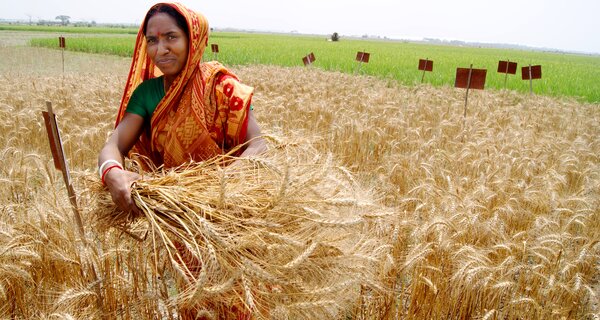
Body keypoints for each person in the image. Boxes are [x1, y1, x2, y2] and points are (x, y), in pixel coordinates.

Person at [98, 2, 266, 216]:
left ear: (192, 40)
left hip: (227, 212)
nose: (160, 50)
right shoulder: (146, 94)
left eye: (171, 37)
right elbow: (114, 145)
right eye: (152, 40)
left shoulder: (222, 88)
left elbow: (258, 146)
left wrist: (210, 189)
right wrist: (112, 172)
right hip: (173, 216)